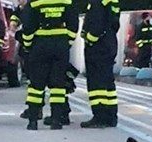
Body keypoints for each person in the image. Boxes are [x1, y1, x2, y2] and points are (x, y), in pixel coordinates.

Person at [22, 0, 78, 130]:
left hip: (40, 45)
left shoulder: (35, 2)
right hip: (60, 45)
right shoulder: (66, 1)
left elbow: (28, 26)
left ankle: (33, 121)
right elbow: (73, 24)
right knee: (58, 85)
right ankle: (56, 121)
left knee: (36, 85)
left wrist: (28, 45)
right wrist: (67, 42)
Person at [80, 0, 119, 128]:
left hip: (98, 47)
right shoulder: (112, 2)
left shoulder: (98, 2)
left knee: (96, 83)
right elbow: (115, 24)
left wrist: (89, 39)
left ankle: (99, 116)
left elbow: (97, 24)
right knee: (108, 82)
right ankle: (111, 116)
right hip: (109, 43)